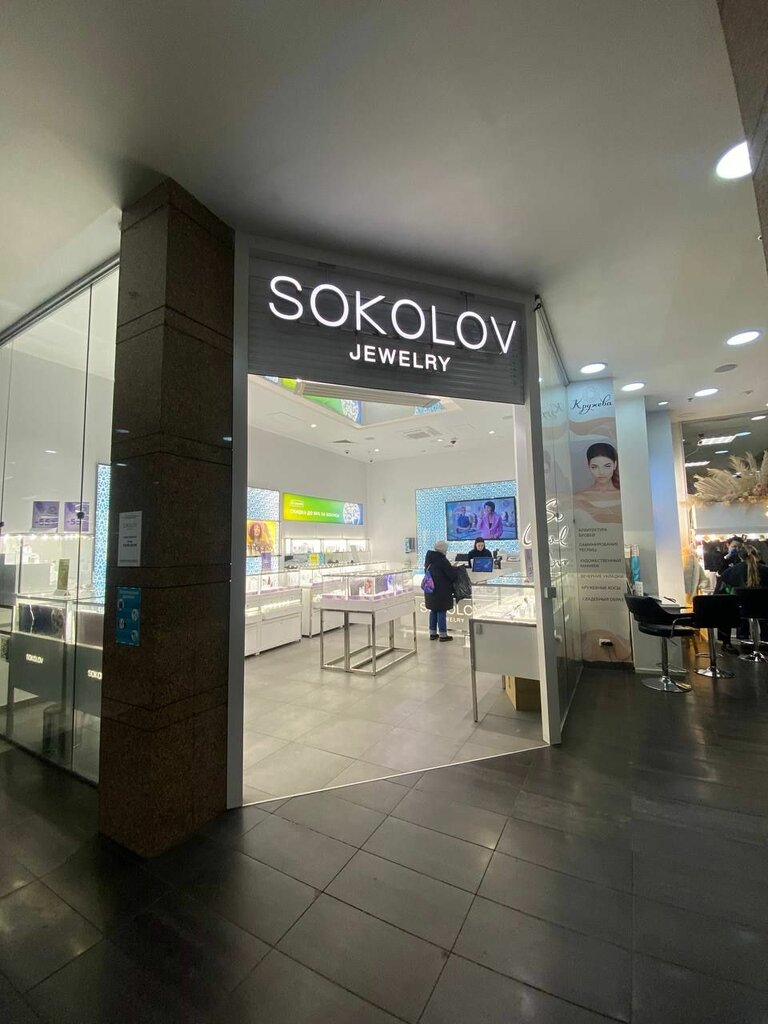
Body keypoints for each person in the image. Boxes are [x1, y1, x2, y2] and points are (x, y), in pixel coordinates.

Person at [718, 545, 768, 653]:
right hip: (764, 611)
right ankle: (765, 639)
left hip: (740, 612)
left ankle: (727, 643)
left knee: (723, 607)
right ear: (757, 555)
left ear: (740, 557)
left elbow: (719, 595)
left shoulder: (730, 572)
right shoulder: (765, 570)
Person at [573, 442, 622, 524]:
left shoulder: (625, 495)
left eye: (607, 466)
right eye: (594, 467)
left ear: (615, 464)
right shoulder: (578, 497)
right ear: (589, 466)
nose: (601, 472)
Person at [424, 540, 459, 641]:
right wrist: (454, 569)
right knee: (441, 611)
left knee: (433, 610)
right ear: (444, 549)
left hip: (431, 589)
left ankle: (432, 633)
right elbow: (451, 575)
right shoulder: (442, 560)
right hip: (441, 590)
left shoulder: (429, 558)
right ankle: (443, 635)